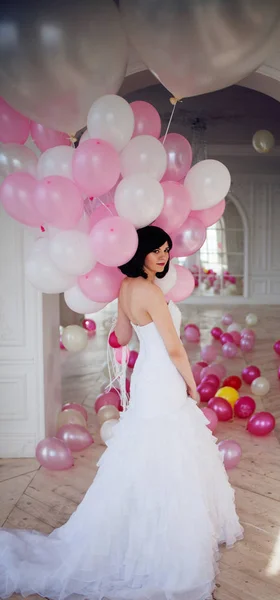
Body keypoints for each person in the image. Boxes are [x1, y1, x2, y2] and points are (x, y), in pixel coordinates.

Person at [0, 225, 243, 600]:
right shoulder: (148, 290)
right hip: (161, 377)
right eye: (156, 250)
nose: (163, 256)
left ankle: (140, 525)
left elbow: (123, 336)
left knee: (147, 449)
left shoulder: (126, 288)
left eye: (166, 250)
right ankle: (164, 538)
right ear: (140, 252)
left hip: (146, 375)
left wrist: (134, 326)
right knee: (168, 448)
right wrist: (192, 383)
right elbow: (175, 348)